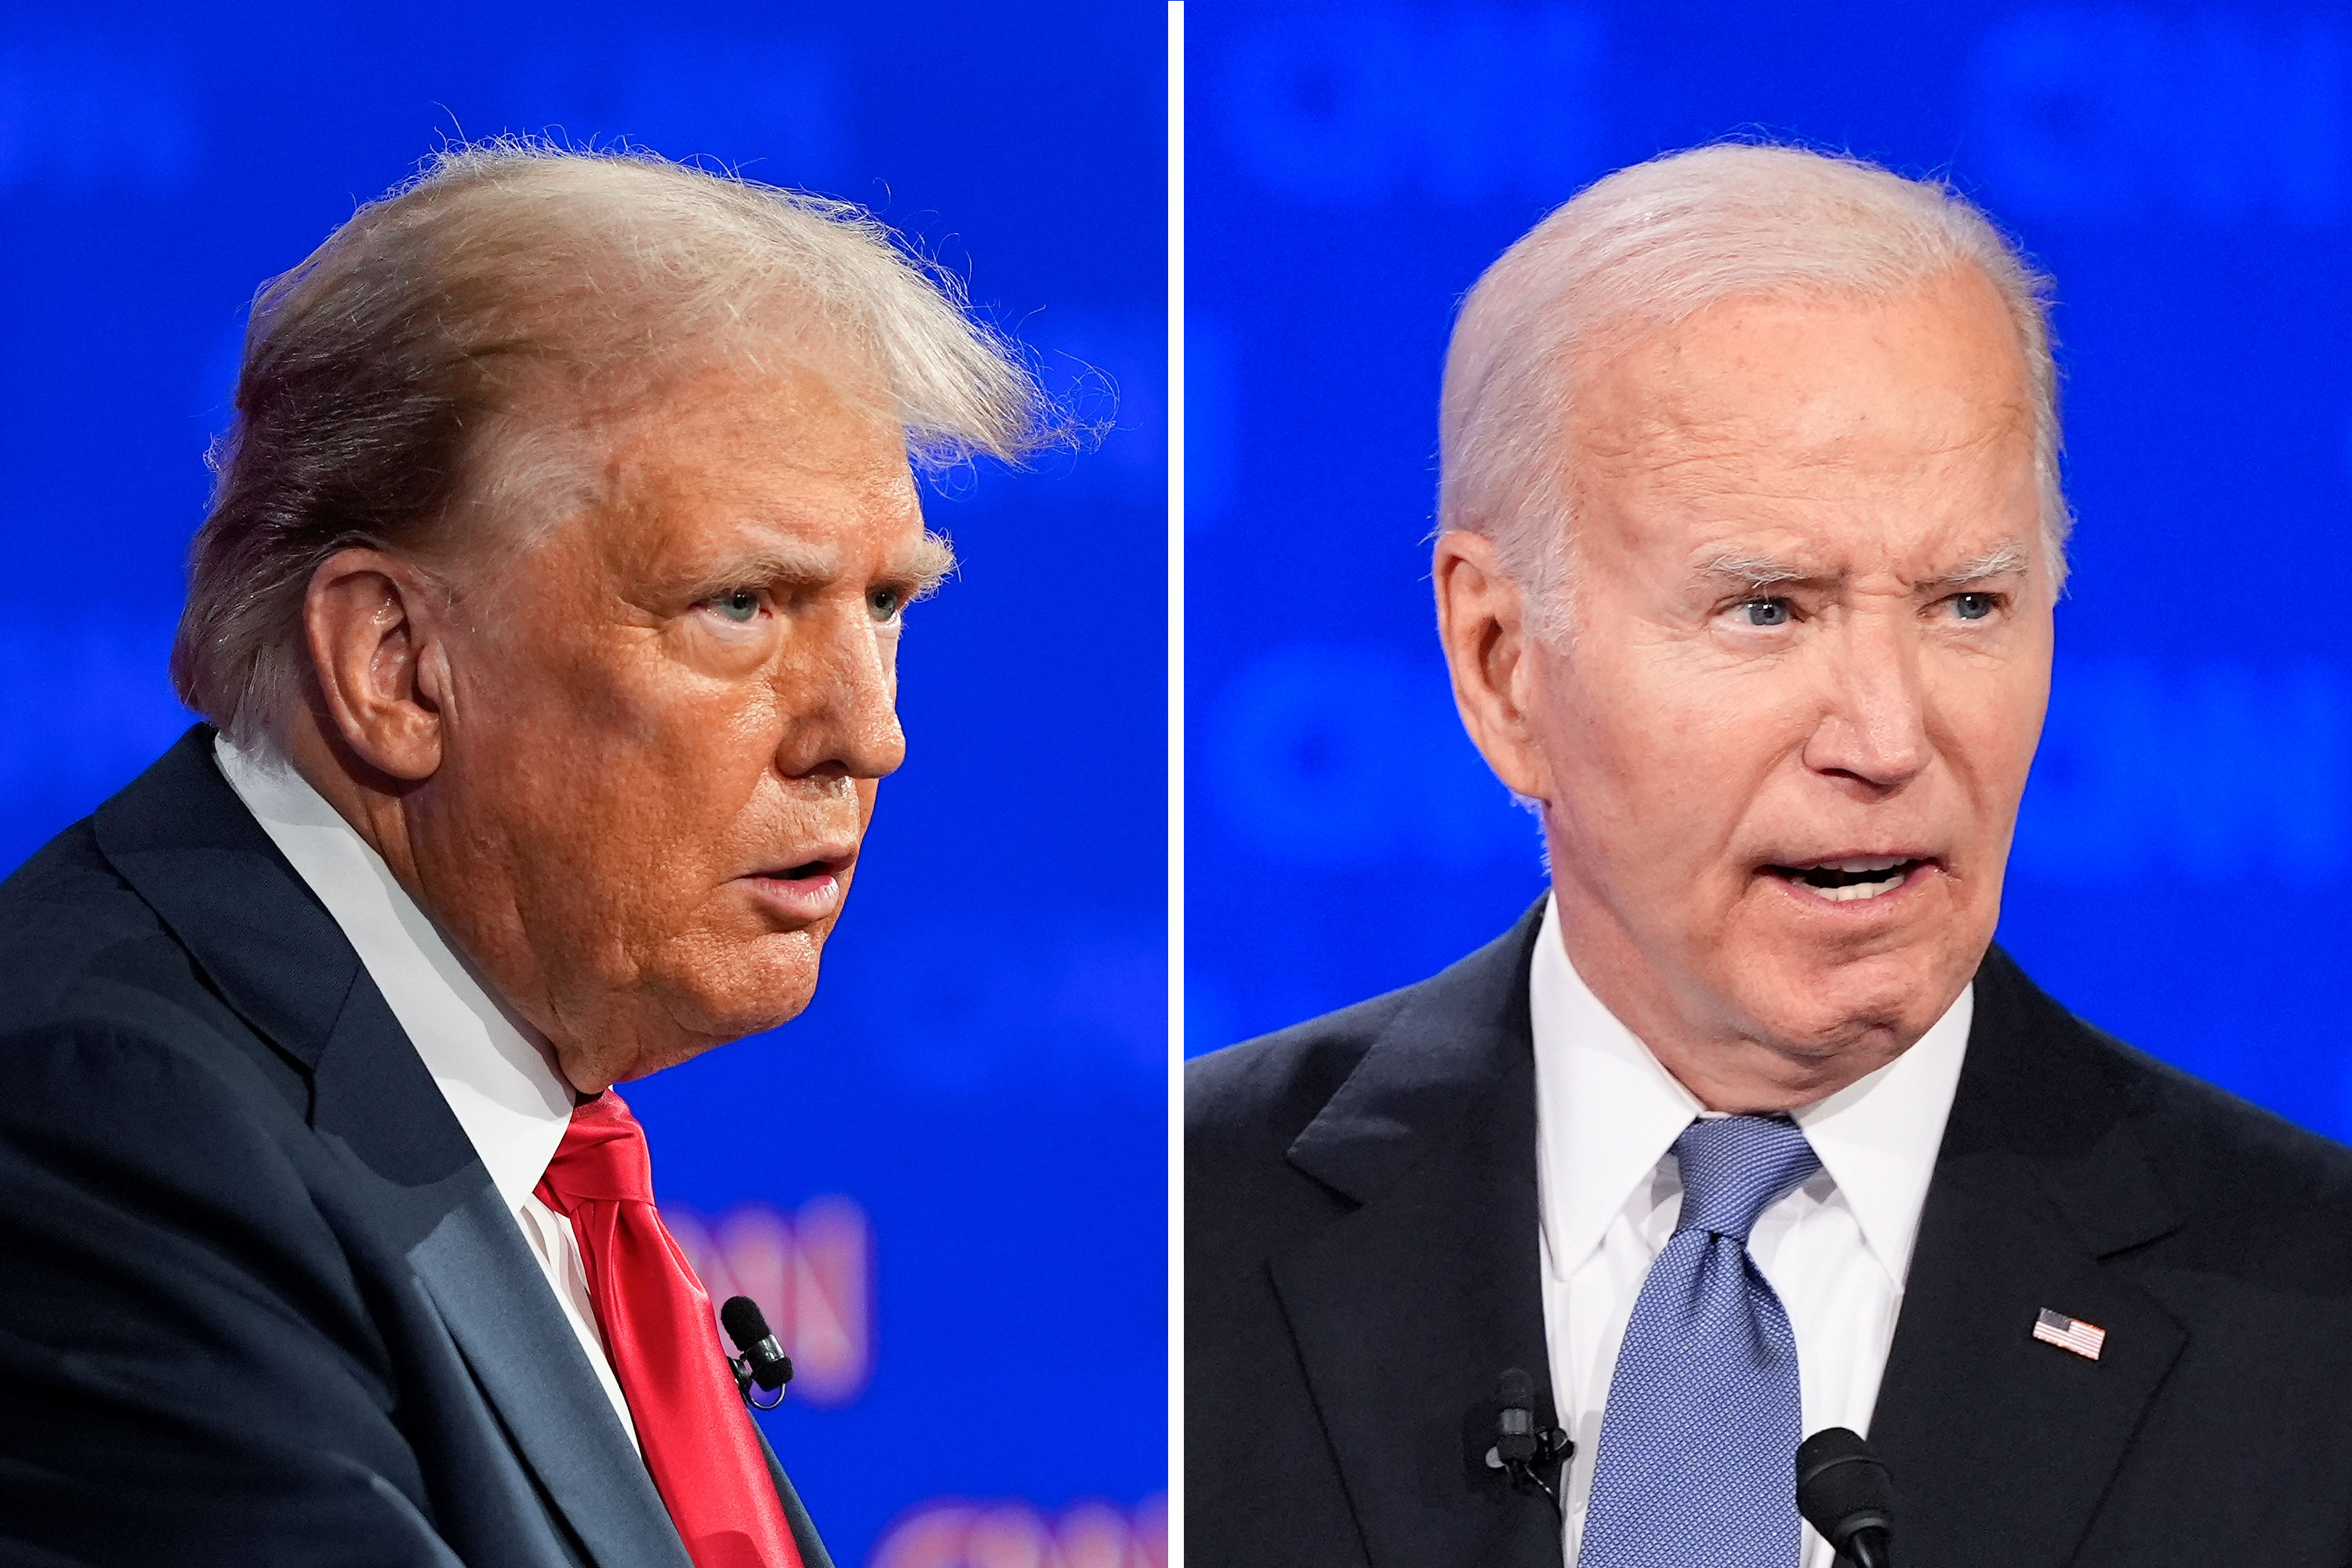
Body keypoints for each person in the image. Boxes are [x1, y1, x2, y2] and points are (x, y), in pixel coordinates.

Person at [1186, 143, 2352, 1568]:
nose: (1885, 732)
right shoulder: (1180, 1230)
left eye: (1968, 603)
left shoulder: (2317, 1309)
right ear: (1501, 667)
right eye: (1767, 609)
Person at [0, 142, 1051, 1566]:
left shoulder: (523, 1144)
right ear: (398, 665)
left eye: (884, 606)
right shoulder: (107, 1123)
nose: (869, 735)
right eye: (740, 604)